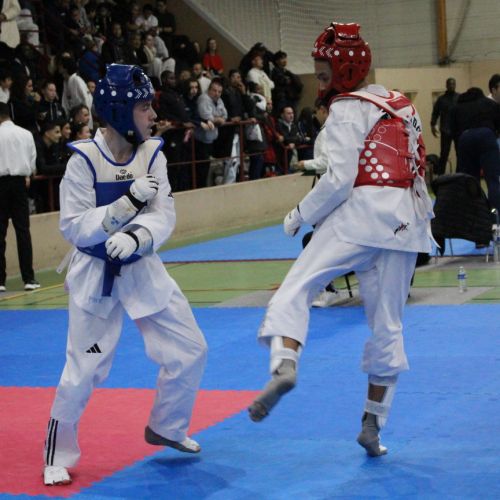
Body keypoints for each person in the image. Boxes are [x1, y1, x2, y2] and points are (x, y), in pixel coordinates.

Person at [248, 22, 434, 459]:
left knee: (298, 286)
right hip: (406, 222)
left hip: (360, 216)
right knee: (388, 325)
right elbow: (414, 165)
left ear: (345, 72)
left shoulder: (347, 107)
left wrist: (299, 215)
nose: (320, 83)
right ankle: (373, 424)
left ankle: (284, 365)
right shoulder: (403, 105)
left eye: (324, 74)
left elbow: (339, 180)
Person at [42, 64, 208, 486]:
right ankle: (57, 455)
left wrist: (137, 236)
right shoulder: (83, 160)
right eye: (144, 107)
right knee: (84, 369)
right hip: (95, 274)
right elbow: (74, 227)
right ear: (119, 112)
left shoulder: (153, 154)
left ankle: (167, 426)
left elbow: (164, 214)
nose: (153, 115)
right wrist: (125, 205)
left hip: (141, 266)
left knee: (190, 348)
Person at [0, 102, 40, 291]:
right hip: (19, 183)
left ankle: (0, 281)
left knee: (0, 233)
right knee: (23, 231)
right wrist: (27, 174)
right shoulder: (25, 134)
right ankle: (29, 279)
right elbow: (32, 162)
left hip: (0, 184)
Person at [449, 86, 500, 213]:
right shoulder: (490, 104)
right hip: (486, 135)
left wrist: (459, 151)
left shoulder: (456, 108)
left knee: (470, 180)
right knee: (492, 180)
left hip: (465, 137)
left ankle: (474, 213)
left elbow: (453, 131)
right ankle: (495, 213)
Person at [430, 78, 459, 175]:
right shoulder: (441, 99)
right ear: (446, 85)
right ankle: (441, 175)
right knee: (444, 154)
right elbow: (435, 113)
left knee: (460, 153)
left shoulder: (459, 98)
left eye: (453, 84)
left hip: (457, 129)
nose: (451, 86)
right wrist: (433, 125)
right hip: (445, 130)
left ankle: (459, 174)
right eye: (450, 84)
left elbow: (464, 112)